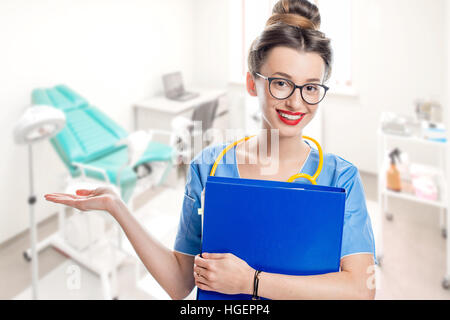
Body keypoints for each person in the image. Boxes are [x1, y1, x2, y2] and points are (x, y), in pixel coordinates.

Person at [45, 0, 376, 300]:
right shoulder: (210, 166)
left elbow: (361, 291)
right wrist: (118, 208)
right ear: (252, 83)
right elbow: (180, 283)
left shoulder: (340, 177)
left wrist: (251, 282)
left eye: (311, 88)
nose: (295, 101)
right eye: (280, 82)